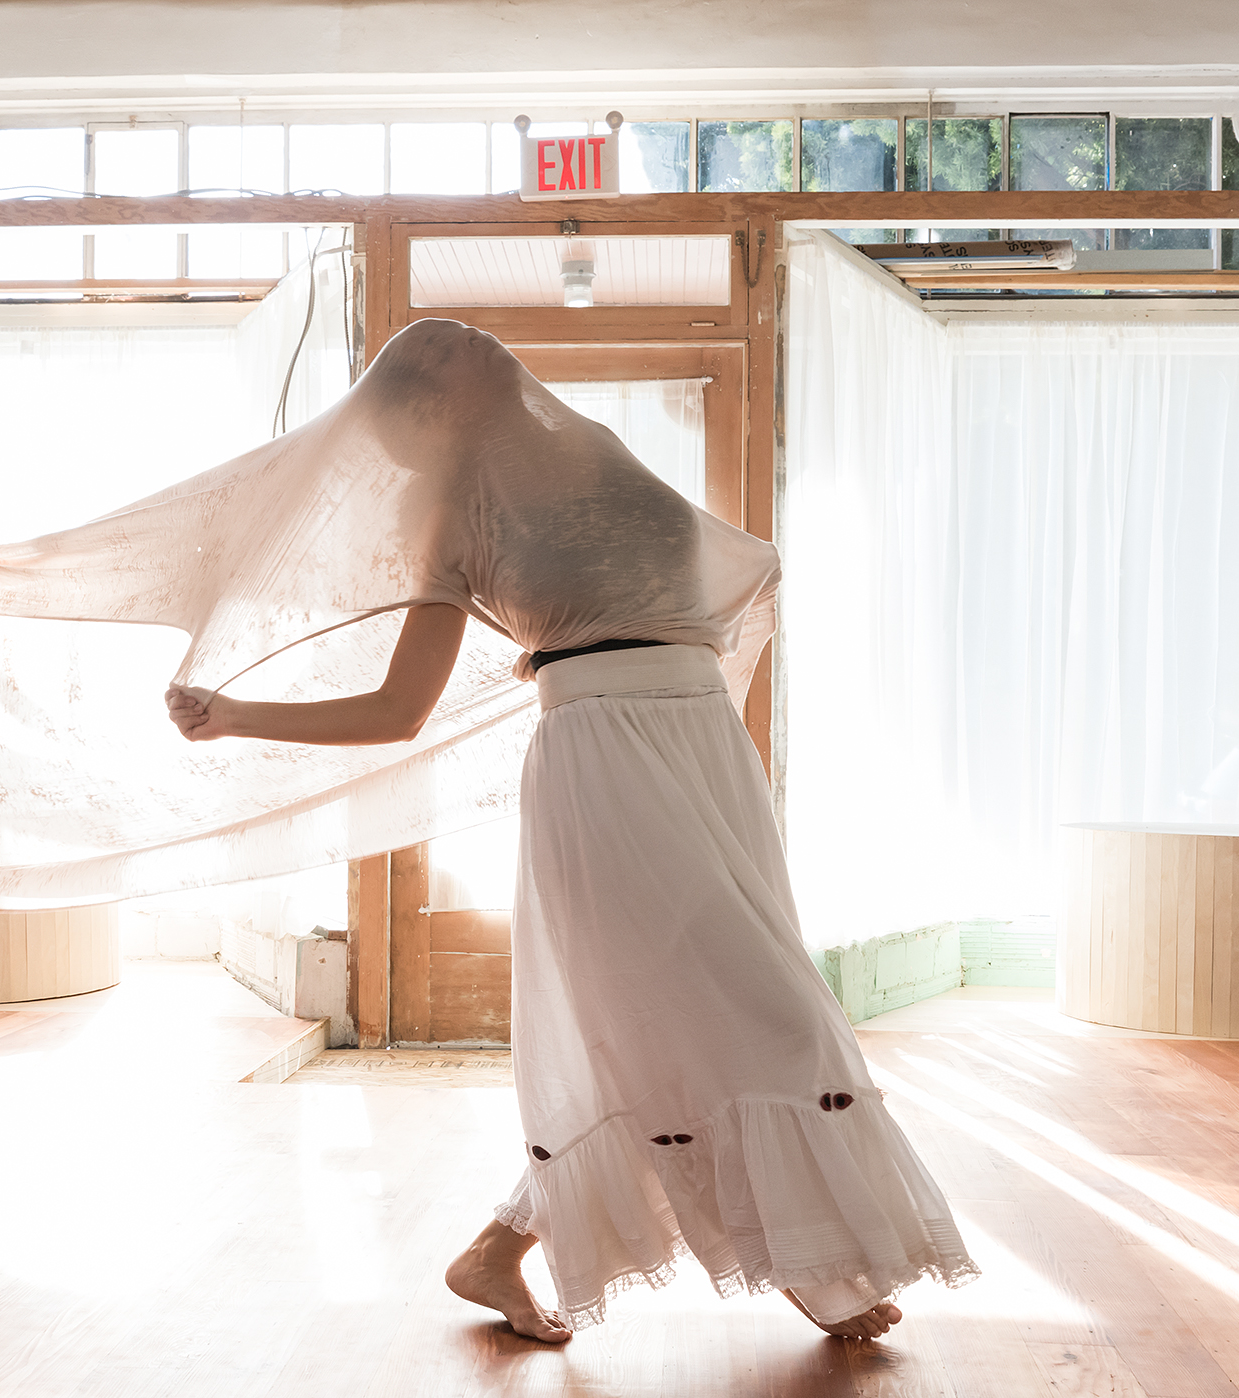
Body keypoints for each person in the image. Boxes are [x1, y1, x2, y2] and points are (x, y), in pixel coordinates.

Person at [164, 320, 976, 1342]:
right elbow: (399, 711)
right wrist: (235, 715)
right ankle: (806, 1266)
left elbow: (709, 591)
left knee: (683, 1022)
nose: (467, 371)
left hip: (699, 745)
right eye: (436, 379)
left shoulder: (607, 463)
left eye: (465, 361)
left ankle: (502, 1253)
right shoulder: (454, 516)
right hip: (608, 761)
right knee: (757, 1012)